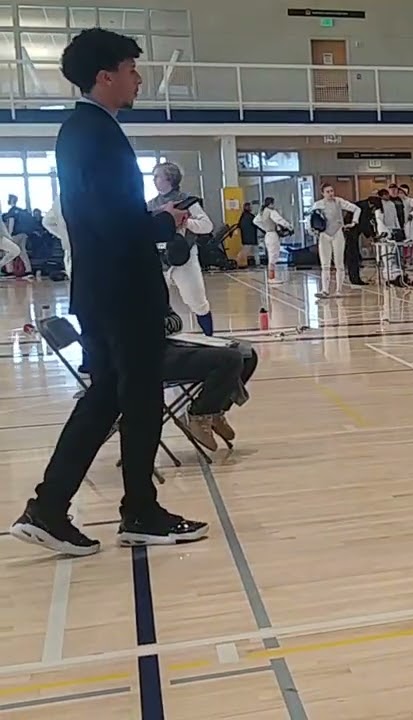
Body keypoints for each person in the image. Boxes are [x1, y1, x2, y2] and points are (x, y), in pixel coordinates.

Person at [9, 28, 207, 556]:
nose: (137, 78)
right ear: (106, 76)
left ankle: (51, 507)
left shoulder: (85, 131)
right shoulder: (93, 132)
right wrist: (163, 222)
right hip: (121, 292)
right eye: (131, 69)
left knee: (106, 398)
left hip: (105, 290)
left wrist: (149, 218)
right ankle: (138, 511)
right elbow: (109, 221)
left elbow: (105, 215)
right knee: (138, 400)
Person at [162, 305, 258, 451]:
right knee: (229, 360)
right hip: (144, 358)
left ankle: (215, 411)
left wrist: (162, 324)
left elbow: (176, 320)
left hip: (169, 343)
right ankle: (199, 414)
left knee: (247, 354)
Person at [148, 162, 216, 335]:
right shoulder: (150, 204)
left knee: (197, 302)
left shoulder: (187, 201)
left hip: (183, 257)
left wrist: (186, 221)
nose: (154, 180)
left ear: (169, 178)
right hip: (158, 259)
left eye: (157, 176)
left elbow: (207, 226)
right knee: (156, 302)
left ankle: (210, 338)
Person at [309, 183, 360, 299]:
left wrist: (354, 222)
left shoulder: (339, 202)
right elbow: (310, 220)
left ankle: (339, 290)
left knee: (339, 263)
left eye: (332, 191)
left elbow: (357, 209)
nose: (331, 194)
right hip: (324, 235)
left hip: (338, 233)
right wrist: (312, 231)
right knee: (325, 264)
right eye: (327, 192)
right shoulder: (318, 205)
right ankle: (325, 290)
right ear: (323, 193)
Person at [253, 195, 292, 284]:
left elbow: (255, 221)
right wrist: (289, 226)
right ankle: (271, 277)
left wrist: (264, 227)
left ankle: (271, 276)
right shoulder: (271, 212)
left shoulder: (262, 212)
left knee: (272, 254)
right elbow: (279, 220)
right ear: (271, 203)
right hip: (273, 235)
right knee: (274, 255)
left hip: (267, 234)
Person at [236, 200, 258, 268]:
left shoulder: (243, 216)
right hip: (250, 237)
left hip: (245, 236)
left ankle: (246, 262)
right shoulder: (250, 217)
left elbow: (239, 225)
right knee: (246, 250)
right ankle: (237, 261)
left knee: (248, 250)